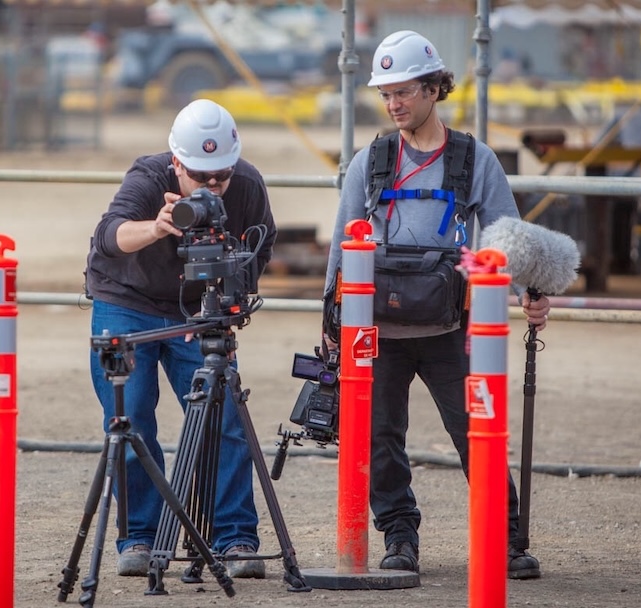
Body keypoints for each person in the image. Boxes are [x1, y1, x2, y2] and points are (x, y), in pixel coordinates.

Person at [323, 30, 550, 579]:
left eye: (403, 92)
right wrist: (331, 319)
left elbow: (506, 234)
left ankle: (504, 539)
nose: (394, 104)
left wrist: (530, 291)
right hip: (378, 329)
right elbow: (343, 243)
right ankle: (399, 537)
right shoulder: (371, 161)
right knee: (380, 439)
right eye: (386, 95)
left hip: (452, 327)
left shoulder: (474, 159)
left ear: (433, 88)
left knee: (477, 432)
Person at [84, 99, 277, 579]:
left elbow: (261, 244)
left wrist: (229, 294)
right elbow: (109, 235)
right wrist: (158, 226)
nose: (212, 185)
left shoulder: (247, 184)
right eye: (199, 176)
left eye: (221, 176)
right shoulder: (148, 177)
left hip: (199, 307)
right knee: (129, 416)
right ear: (176, 163)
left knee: (223, 416)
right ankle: (140, 535)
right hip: (126, 300)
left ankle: (234, 537)